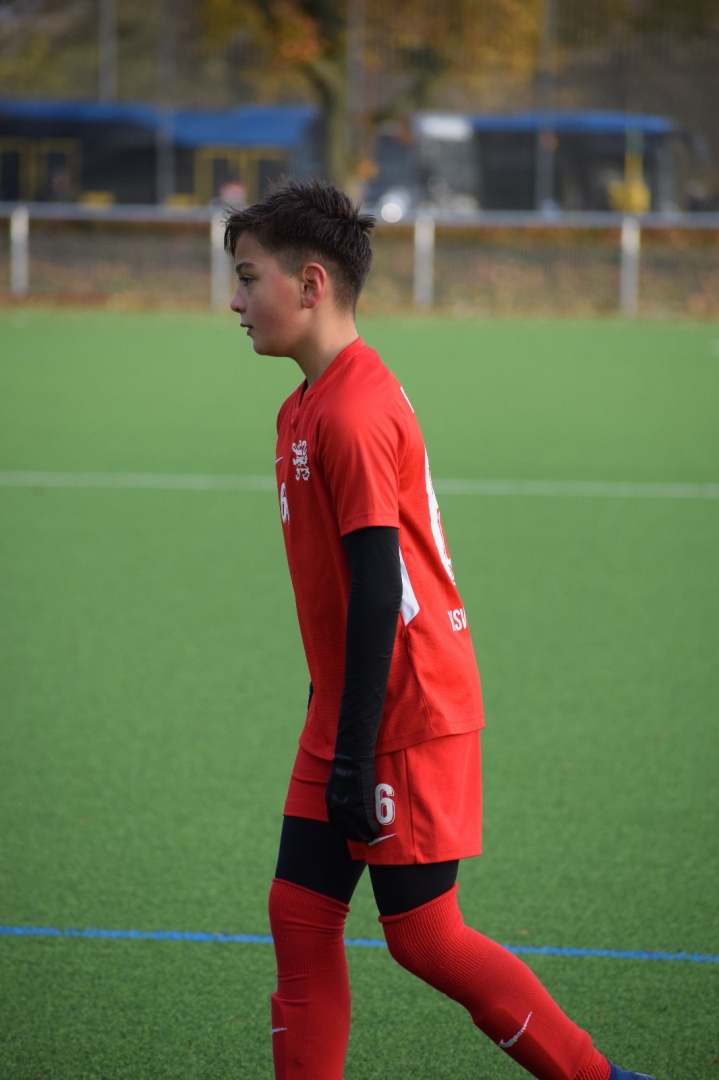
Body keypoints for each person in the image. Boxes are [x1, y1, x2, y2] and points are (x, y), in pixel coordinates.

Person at [224, 177, 655, 1080]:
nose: (235, 300)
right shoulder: (304, 403)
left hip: (405, 707)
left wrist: (352, 751)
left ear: (310, 284)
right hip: (350, 705)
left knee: (422, 934)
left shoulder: (351, 410)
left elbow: (379, 589)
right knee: (299, 916)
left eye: (248, 278)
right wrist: (332, 720)